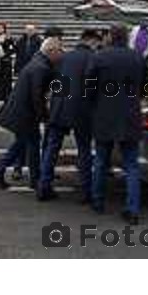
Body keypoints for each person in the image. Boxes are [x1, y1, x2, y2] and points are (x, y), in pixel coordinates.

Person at [88, 24, 148, 224]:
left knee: (101, 160)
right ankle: (132, 208)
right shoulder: (137, 57)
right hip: (130, 115)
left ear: (110, 37)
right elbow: (146, 86)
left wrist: (93, 105)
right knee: (131, 164)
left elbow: (90, 87)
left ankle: (97, 201)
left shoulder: (99, 57)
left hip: (104, 114)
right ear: (127, 37)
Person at [0, 37, 64, 189]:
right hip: (25, 113)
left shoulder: (38, 62)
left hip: (20, 111)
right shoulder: (41, 67)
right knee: (33, 145)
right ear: (51, 51)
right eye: (60, 50)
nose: (61, 54)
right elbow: (36, 96)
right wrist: (44, 116)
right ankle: (35, 179)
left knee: (21, 143)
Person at [37, 28, 102, 202]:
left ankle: (43, 186)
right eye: (98, 44)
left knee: (52, 148)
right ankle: (86, 191)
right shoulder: (93, 58)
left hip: (60, 107)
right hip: (82, 110)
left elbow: (54, 82)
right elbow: (92, 87)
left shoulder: (64, 57)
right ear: (92, 41)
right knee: (84, 150)